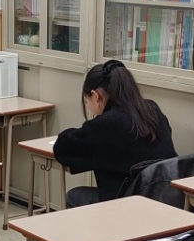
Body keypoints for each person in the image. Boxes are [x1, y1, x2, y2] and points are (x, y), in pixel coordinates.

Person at [53, 59, 176, 207]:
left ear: (95, 96)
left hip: (127, 204)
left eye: (87, 101)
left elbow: (62, 148)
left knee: (73, 196)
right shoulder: (153, 110)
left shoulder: (106, 124)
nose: (88, 106)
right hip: (167, 201)